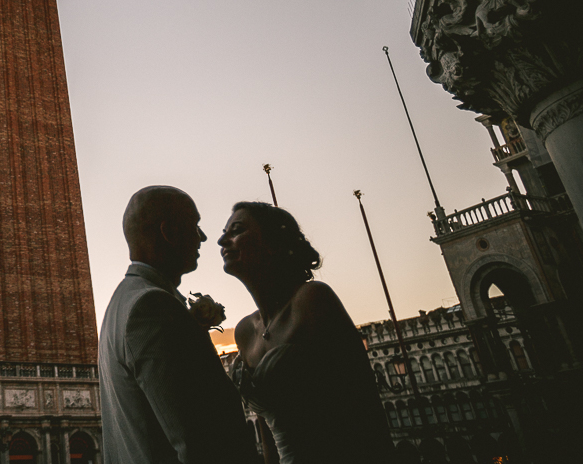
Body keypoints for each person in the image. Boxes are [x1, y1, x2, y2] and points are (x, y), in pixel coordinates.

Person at [219, 202, 393, 464]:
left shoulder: (313, 301)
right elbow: (269, 429)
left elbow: (363, 403)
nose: (223, 239)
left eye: (237, 230)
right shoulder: (244, 332)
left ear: (272, 243)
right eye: (225, 232)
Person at [99, 186, 259, 464]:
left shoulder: (123, 301)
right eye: (194, 226)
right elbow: (201, 441)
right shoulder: (151, 307)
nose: (205, 237)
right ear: (169, 233)